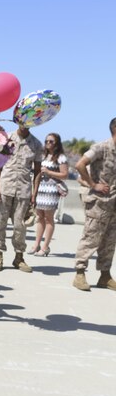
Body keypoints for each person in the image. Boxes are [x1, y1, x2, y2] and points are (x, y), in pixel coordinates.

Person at [0, 123, 43, 272]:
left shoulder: (36, 144)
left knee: (20, 226)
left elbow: (38, 171)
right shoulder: (7, 139)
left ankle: (19, 257)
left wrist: (34, 193)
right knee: (0, 223)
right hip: (5, 187)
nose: (24, 125)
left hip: (23, 191)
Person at [72, 118, 116, 291]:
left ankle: (105, 276)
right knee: (91, 238)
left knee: (109, 242)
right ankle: (80, 273)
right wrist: (93, 184)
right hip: (98, 203)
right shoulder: (101, 147)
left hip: (114, 204)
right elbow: (79, 164)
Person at [29, 132, 68, 256]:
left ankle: (45, 246)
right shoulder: (43, 156)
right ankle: (36, 244)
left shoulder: (61, 157)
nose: (48, 143)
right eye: (46, 141)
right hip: (41, 188)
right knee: (39, 217)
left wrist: (49, 172)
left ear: (57, 143)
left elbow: (65, 175)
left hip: (51, 190)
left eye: (51, 141)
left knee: (49, 218)